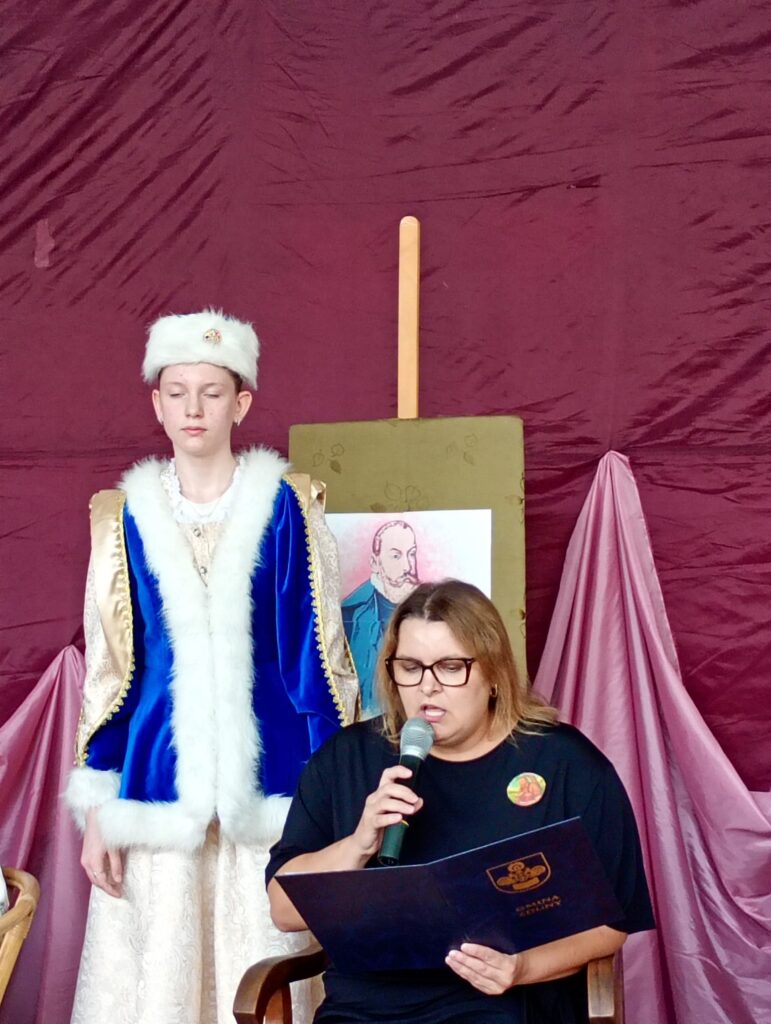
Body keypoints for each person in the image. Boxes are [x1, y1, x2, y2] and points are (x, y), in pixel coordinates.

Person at [65, 309, 358, 1024]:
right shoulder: (122, 518)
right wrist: (100, 806)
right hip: (156, 786)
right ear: (157, 404)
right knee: (162, 981)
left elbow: (320, 662)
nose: (193, 408)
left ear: (242, 403)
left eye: (212, 392)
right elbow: (111, 671)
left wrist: (333, 800)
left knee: (262, 963)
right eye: (177, 392)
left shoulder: (287, 508)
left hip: (272, 789)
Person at [267, 579, 654, 1024]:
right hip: (362, 1012)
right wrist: (358, 844)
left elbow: (610, 924)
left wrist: (522, 968)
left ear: (493, 674)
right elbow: (284, 910)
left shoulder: (566, 763)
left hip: (502, 1005)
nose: (427, 687)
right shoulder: (346, 758)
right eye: (410, 667)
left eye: (451, 667)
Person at [342, 520, 419, 715]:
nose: (408, 566)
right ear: (375, 563)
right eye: (396, 556)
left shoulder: (435, 612)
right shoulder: (349, 614)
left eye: (412, 554)